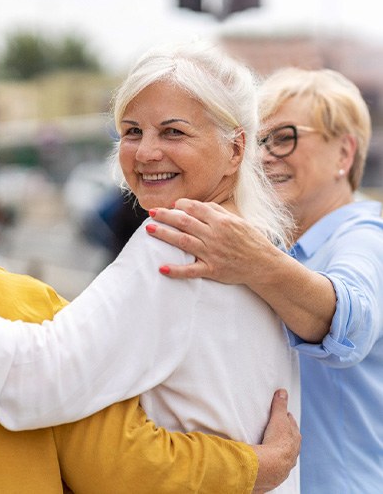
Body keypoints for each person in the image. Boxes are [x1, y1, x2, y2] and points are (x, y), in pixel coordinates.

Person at [0, 48, 301, 492]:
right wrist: (258, 466)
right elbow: (115, 465)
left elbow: (40, 377)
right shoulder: (255, 252)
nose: (146, 151)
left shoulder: (175, 243)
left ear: (236, 147)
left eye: (172, 132)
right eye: (132, 131)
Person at [144, 67, 383, 493]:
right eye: (258, 140)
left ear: (344, 155)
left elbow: (353, 319)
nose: (266, 155)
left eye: (286, 137)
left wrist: (255, 261)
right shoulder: (282, 246)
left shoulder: (364, 236)